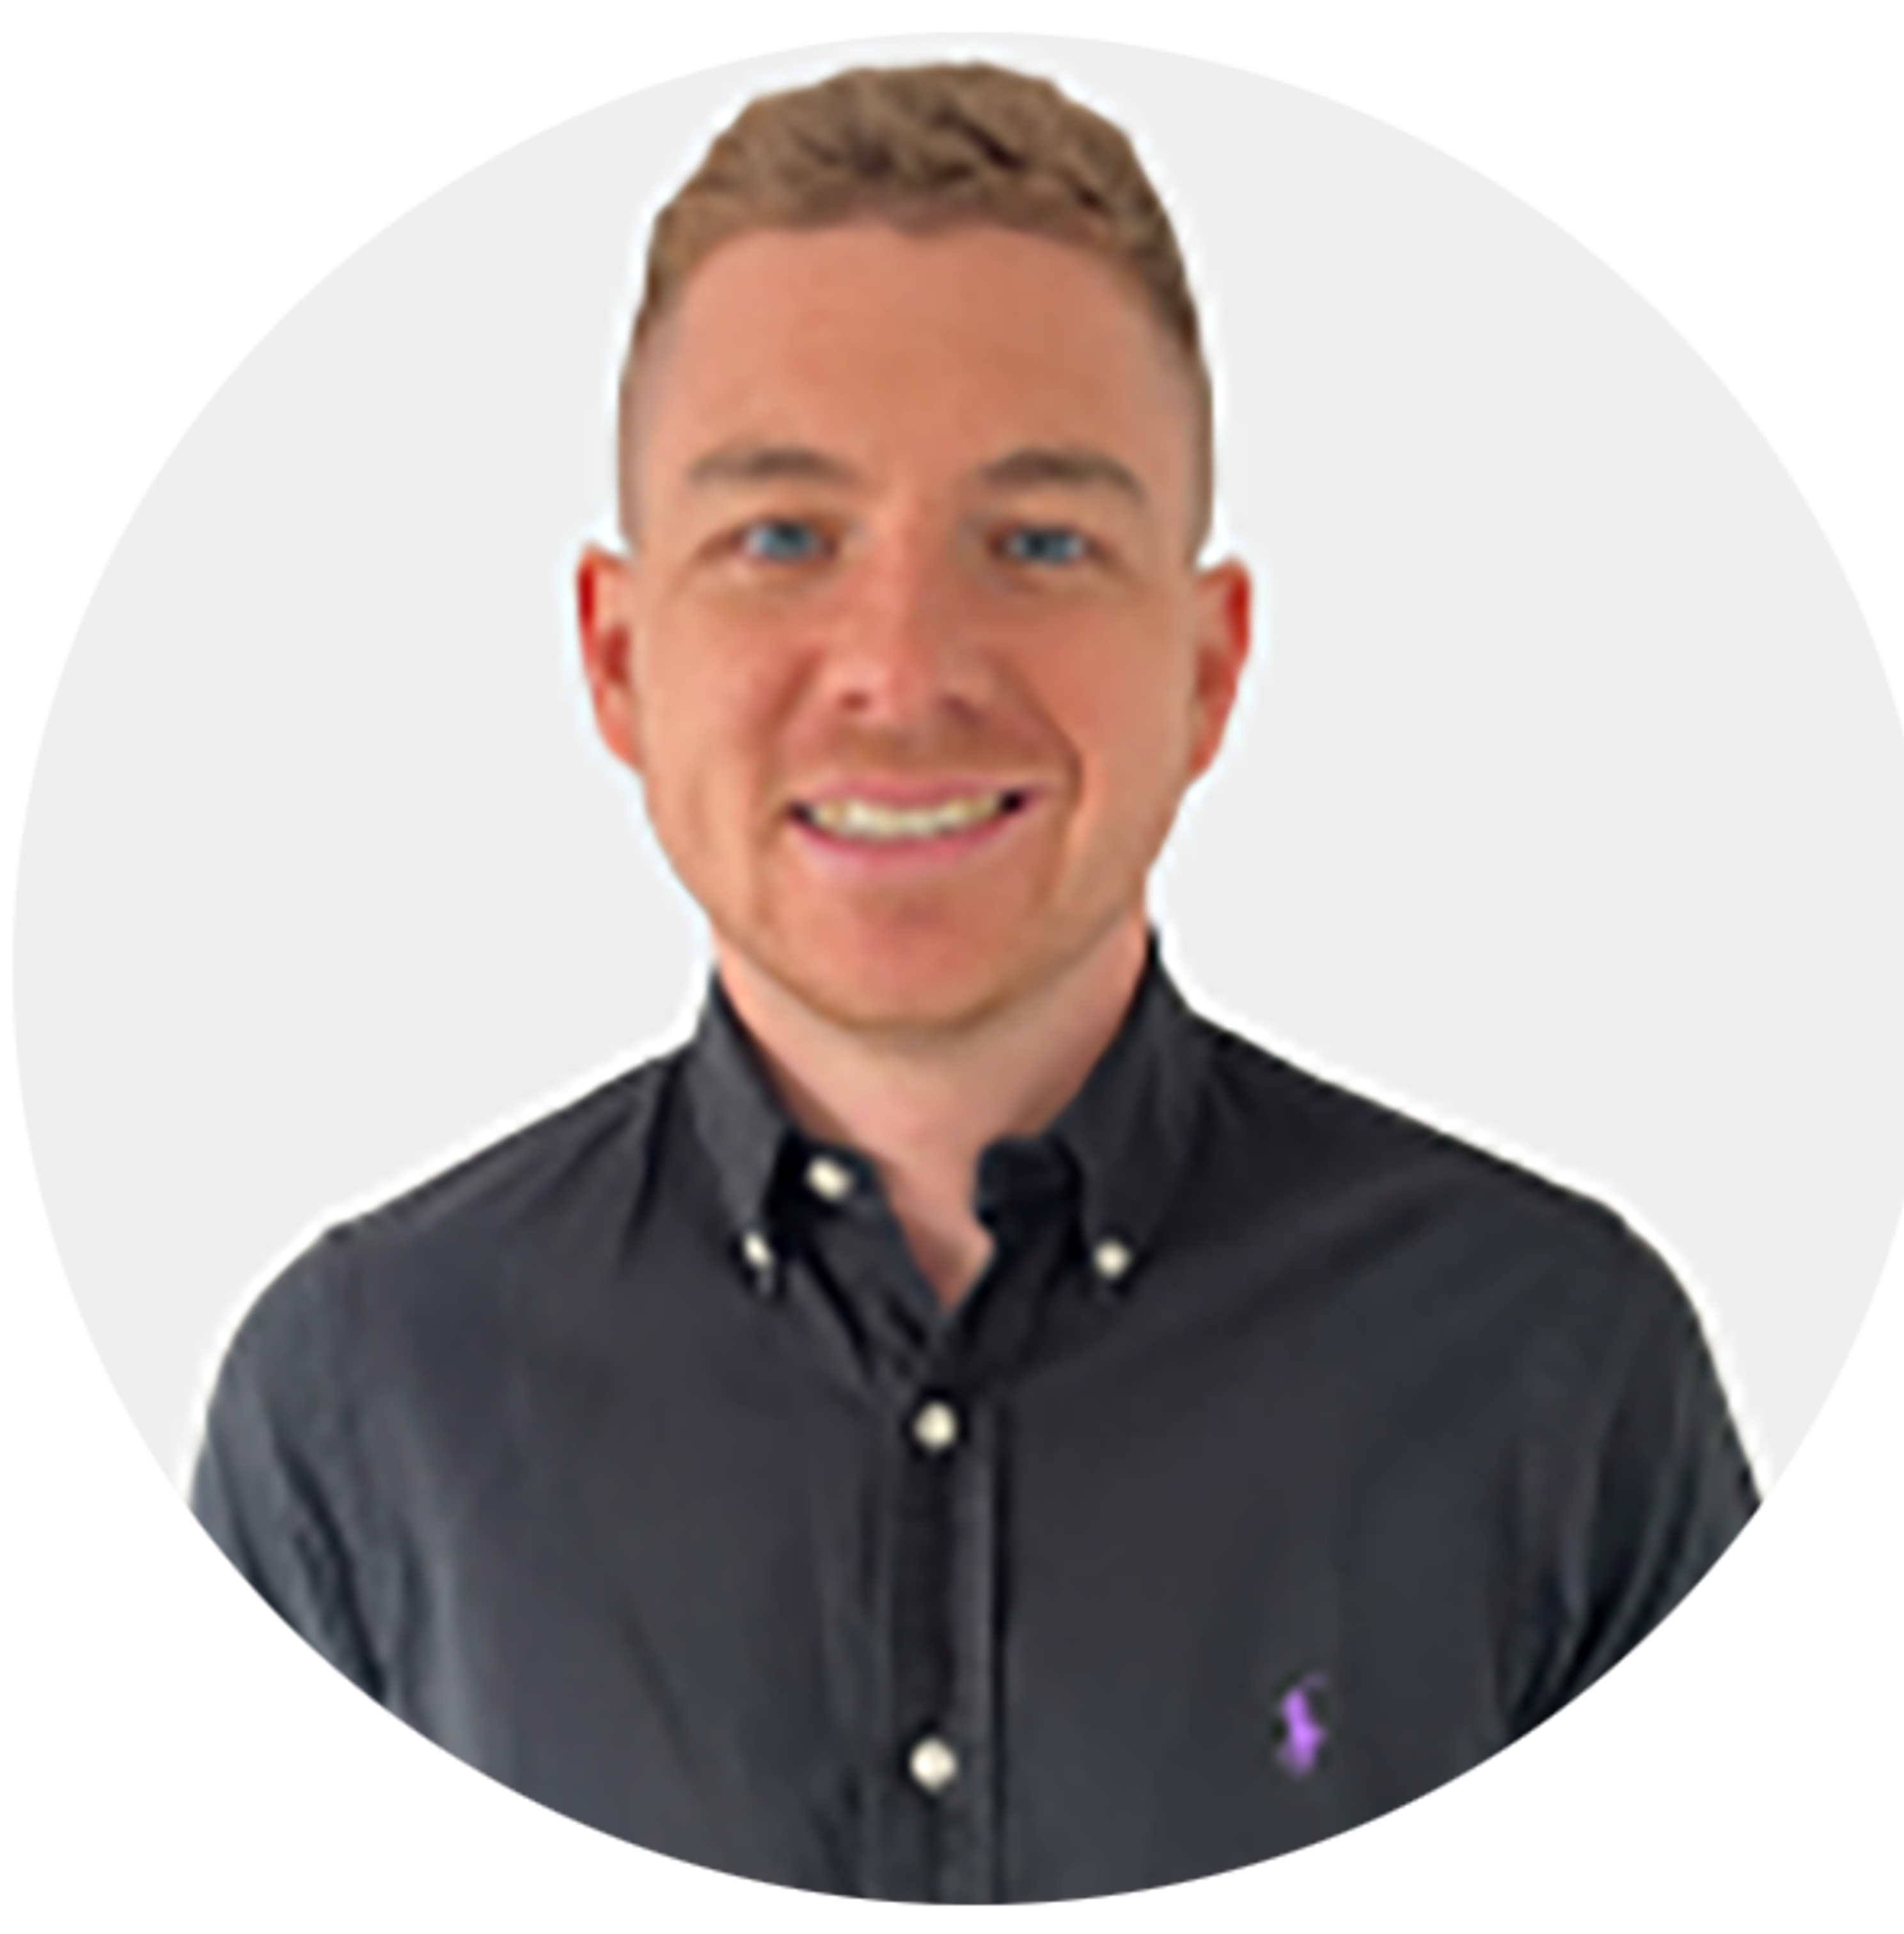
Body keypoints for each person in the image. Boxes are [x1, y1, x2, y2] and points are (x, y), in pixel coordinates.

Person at [188, 63, 1762, 1905]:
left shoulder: (1553, 1381)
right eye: (783, 537)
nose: (903, 668)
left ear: (1206, 665)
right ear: (619, 661)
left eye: (1037, 544)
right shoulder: (363, 1412)